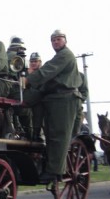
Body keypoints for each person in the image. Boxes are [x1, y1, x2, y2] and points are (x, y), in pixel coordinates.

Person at [24, 29, 83, 182]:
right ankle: (47, 164)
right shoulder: (58, 56)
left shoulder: (65, 55)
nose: (56, 42)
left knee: (59, 136)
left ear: (65, 41)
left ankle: (55, 171)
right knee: (50, 135)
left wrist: (28, 80)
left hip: (65, 99)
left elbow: (46, 71)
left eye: (58, 39)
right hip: (53, 99)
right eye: (53, 40)